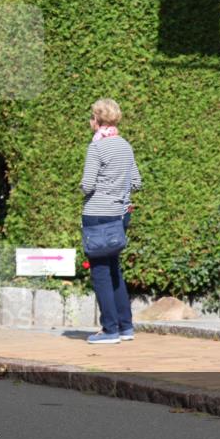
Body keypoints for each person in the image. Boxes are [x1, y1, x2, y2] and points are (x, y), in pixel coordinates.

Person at [80, 98, 141, 344]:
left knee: (101, 272)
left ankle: (109, 329)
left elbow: (87, 185)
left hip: (97, 213)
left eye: (92, 117)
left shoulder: (96, 148)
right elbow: (137, 182)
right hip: (120, 214)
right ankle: (126, 326)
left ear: (98, 120)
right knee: (114, 268)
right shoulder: (125, 145)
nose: (90, 121)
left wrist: (94, 190)